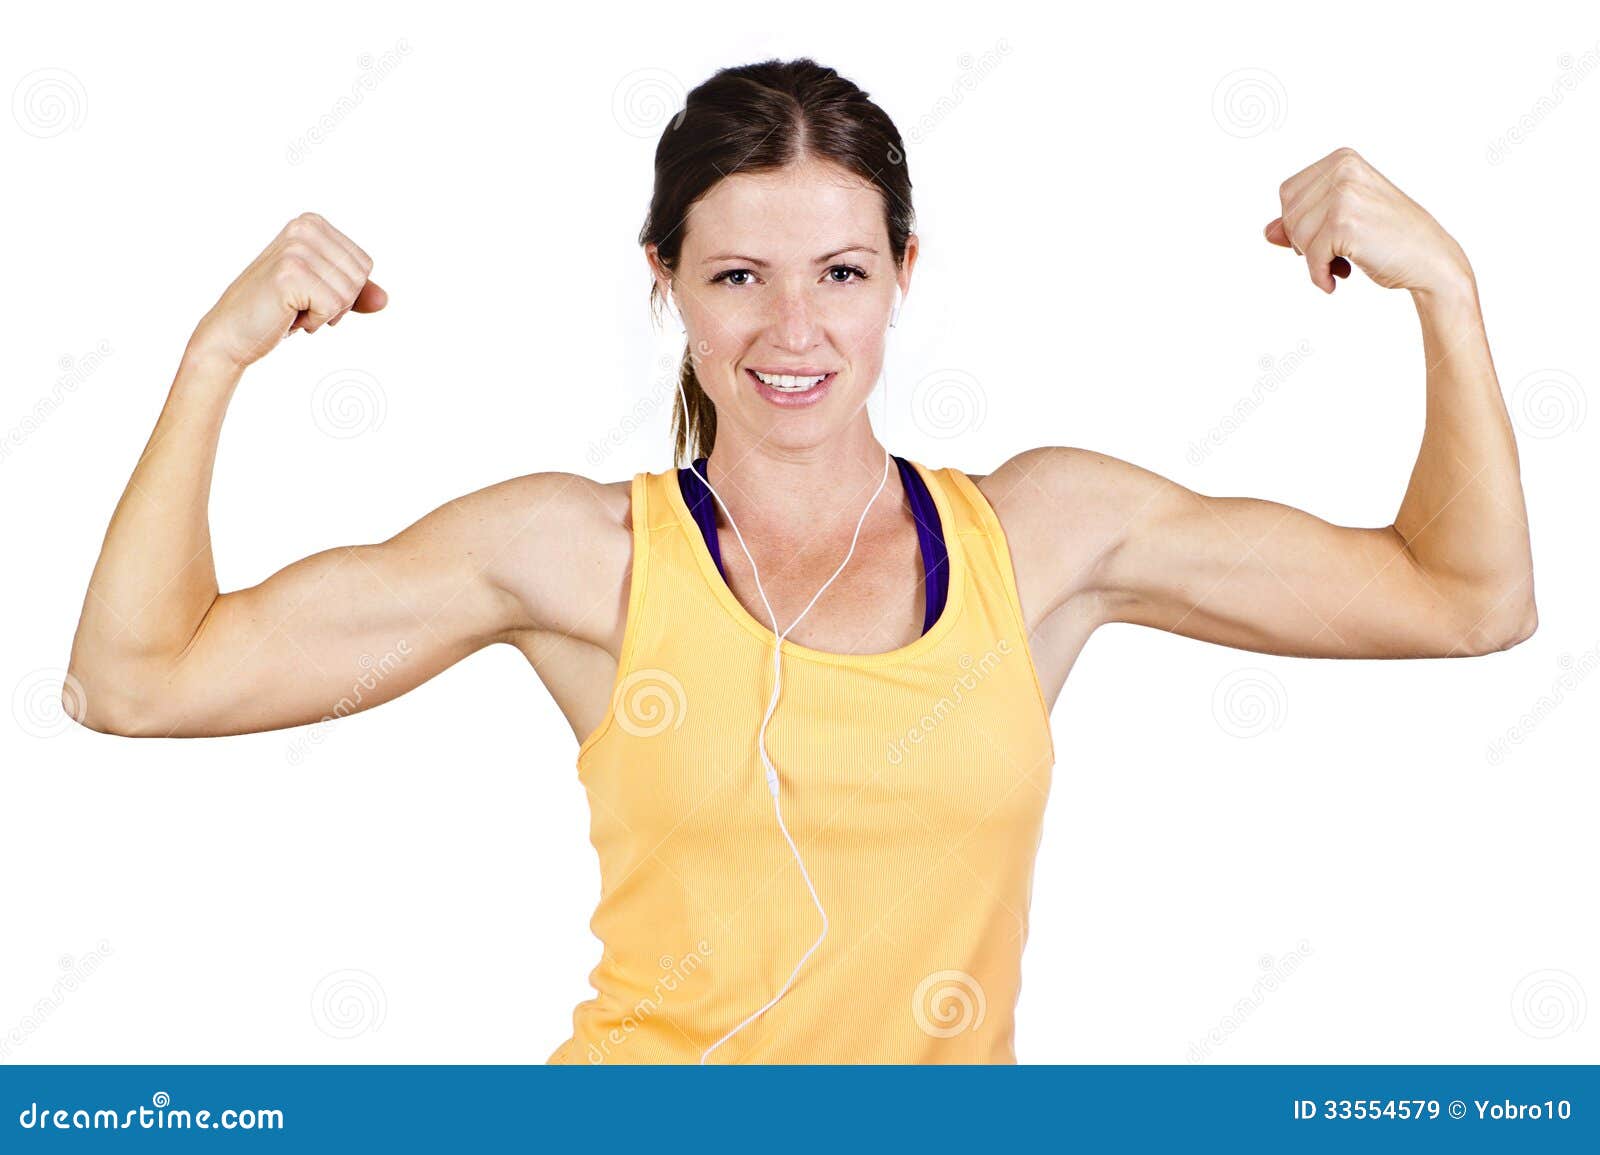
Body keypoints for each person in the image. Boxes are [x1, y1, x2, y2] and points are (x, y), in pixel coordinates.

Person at [61, 58, 1536, 1064]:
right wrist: (212, 360)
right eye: (736, 277)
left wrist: (1451, 296)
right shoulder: (576, 556)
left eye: (839, 273)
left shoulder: (1047, 537)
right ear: (667, 285)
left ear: (904, 271)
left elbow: (1466, 601)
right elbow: (134, 683)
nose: (792, 331)